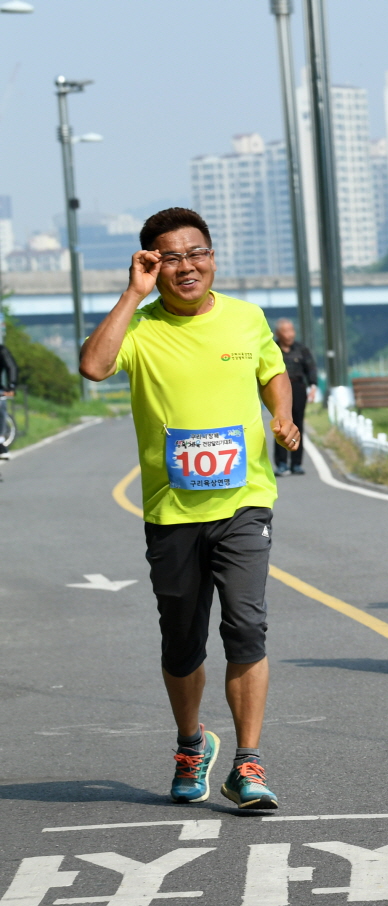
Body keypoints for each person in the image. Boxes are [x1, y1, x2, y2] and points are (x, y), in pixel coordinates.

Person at [79, 207, 296, 812]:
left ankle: (248, 764)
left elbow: (273, 372)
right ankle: (190, 744)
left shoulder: (247, 317)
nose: (186, 266)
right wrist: (133, 293)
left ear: (213, 257)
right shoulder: (141, 327)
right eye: (170, 258)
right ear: (152, 265)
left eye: (196, 253)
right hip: (171, 512)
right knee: (182, 642)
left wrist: (282, 414)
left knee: (246, 626)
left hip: (244, 502)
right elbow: (94, 366)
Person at [271, 319, 318, 476]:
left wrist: (313, 387)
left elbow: (311, 368)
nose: (290, 334)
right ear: (278, 333)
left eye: (292, 330)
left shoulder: (301, 349)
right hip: (278, 390)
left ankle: (296, 463)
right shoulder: (272, 349)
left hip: (297, 388)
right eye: (286, 331)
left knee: (297, 425)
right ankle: (282, 463)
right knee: (280, 425)